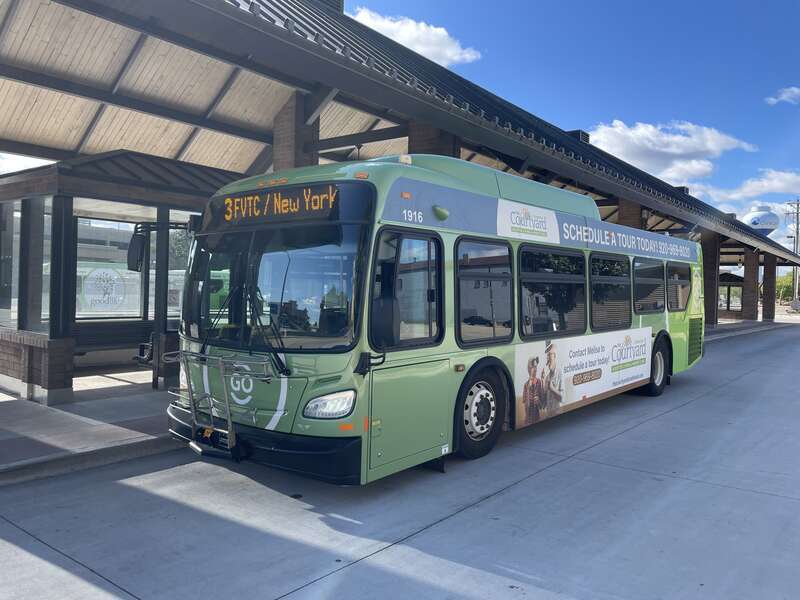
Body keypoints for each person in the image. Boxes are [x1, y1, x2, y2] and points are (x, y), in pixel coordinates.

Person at [522, 356, 543, 424]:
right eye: (533, 367)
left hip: (537, 419)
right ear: (529, 369)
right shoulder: (526, 385)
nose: (535, 369)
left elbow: (542, 406)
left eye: (536, 367)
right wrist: (529, 387)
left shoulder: (539, 382)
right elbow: (525, 406)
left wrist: (538, 401)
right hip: (528, 420)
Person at [543, 341, 563, 411]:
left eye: (550, 355)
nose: (548, 358)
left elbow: (562, 398)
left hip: (558, 412)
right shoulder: (547, 377)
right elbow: (543, 405)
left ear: (555, 356)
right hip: (549, 414)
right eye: (547, 356)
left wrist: (552, 388)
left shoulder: (560, 372)